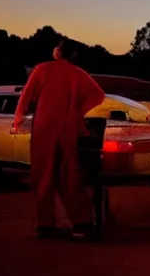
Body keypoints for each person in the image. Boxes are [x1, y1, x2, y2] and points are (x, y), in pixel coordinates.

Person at [13, 39, 105, 239]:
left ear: (57, 52)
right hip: (69, 126)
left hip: (44, 124)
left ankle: (44, 223)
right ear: (73, 56)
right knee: (70, 173)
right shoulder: (77, 73)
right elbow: (98, 95)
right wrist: (78, 110)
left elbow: (26, 96)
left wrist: (19, 118)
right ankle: (82, 223)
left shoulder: (42, 69)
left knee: (42, 172)